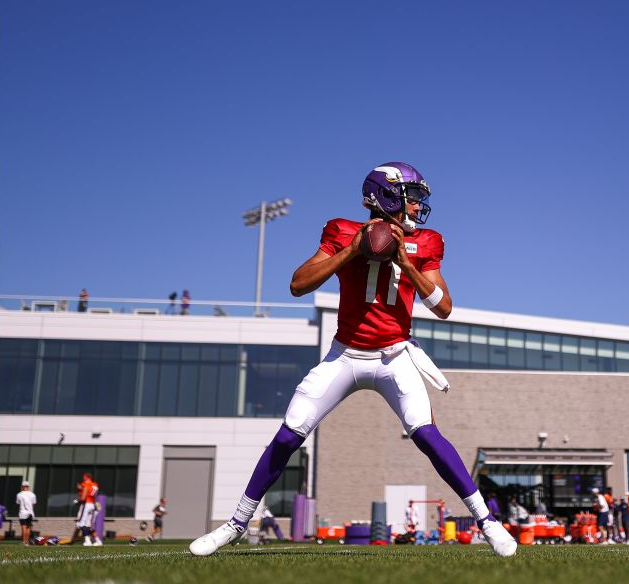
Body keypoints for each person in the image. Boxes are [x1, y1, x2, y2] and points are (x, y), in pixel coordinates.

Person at [189, 162, 516, 557]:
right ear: (388, 195)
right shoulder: (342, 230)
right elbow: (298, 284)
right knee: (290, 432)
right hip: (344, 355)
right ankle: (236, 523)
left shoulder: (427, 241)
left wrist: (405, 262)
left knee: (426, 433)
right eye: (413, 198)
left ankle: (487, 522)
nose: (418, 206)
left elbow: (444, 306)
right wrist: (353, 250)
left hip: (394, 356)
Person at [73, 472, 102, 546]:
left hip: (86, 505)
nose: (83, 478)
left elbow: (83, 497)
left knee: (81, 524)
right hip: (92, 504)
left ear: (86, 477)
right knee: (88, 525)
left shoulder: (85, 484)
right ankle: (98, 541)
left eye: (84, 477)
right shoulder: (95, 485)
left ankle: (87, 540)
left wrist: (77, 500)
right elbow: (94, 495)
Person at [16, 481, 37, 545]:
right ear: (28, 487)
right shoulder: (33, 494)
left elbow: (18, 503)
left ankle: (23, 542)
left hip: (22, 513)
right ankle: (27, 542)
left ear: (22, 487)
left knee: (23, 528)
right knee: (28, 528)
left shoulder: (19, 494)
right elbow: (33, 504)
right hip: (30, 513)